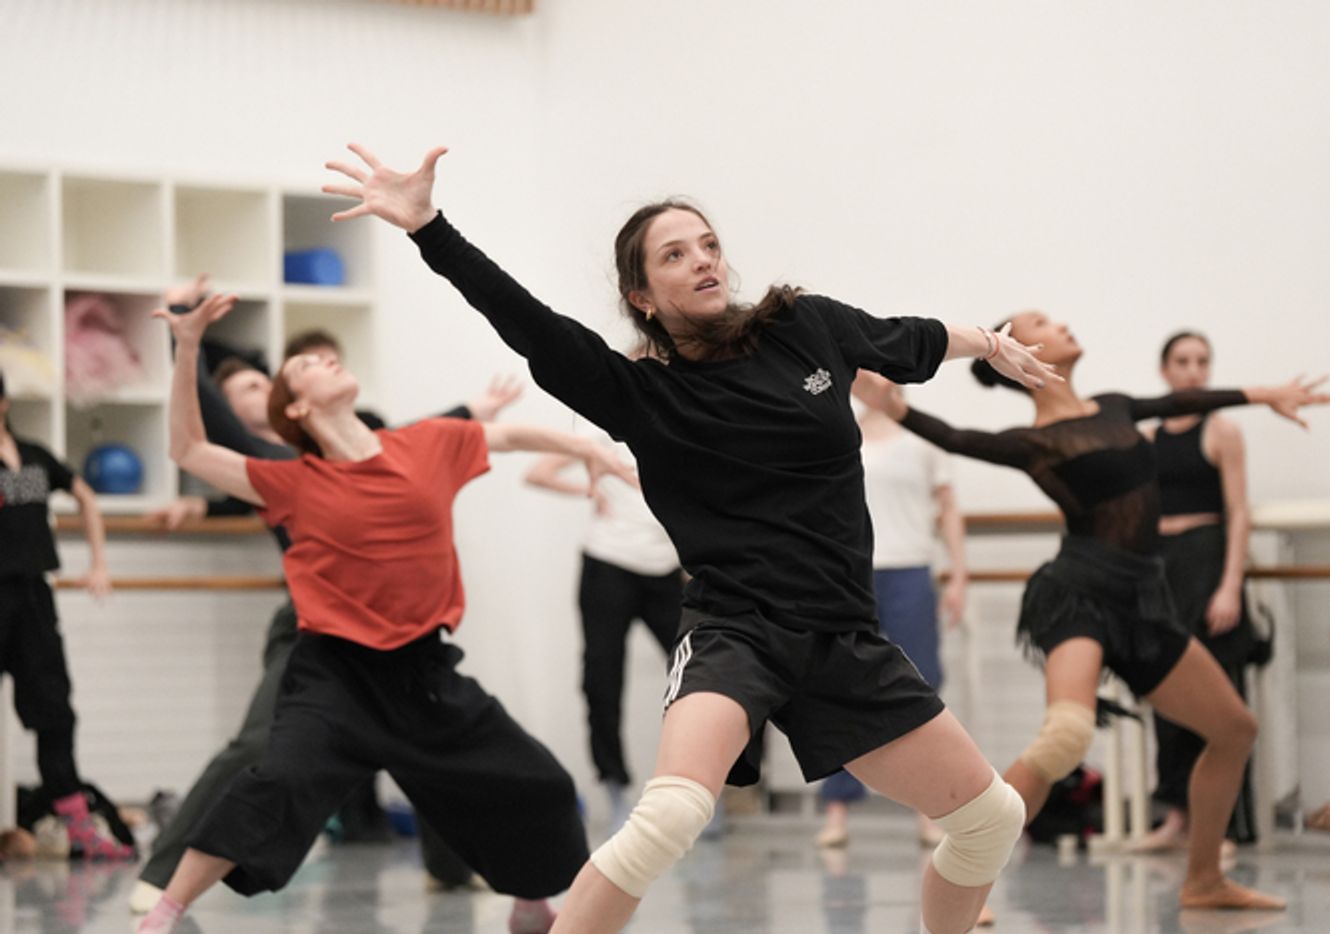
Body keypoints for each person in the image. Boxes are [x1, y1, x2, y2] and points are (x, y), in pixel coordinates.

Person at [324, 143, 1056, 934]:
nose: (704, 261)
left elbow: (905, 338)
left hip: (846, 638)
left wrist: (987, 339)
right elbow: (526, 322)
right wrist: (430, 228)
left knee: (992, 819)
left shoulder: (804, 327)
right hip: (736, 632)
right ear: (642, 295)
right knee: (671, 816)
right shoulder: (638, 395)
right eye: (675, 254)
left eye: (708, 244)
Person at [136, 293, 627, 934]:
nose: (322, 358)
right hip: (334, 676)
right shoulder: (292, 478)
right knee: (273, 783)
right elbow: (188, 448)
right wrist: (190, 345)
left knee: (539, 784)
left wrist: (592, 450)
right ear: (300, 407)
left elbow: (504, 435)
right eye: (306, 364)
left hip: (424, 672)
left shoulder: (426, 444)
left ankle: (530, 903)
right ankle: (164, 911)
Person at [853, 311, 1330, 911]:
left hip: (1142, 600)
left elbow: (1182, 400)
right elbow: (951, 437)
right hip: (1079, 595)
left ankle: (1205, 878)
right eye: (1042, 322)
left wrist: (1267, 395)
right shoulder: (1032, 444)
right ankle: (965, 884)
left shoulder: (1113, 406)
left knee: (1235, 728)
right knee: (1066, 735)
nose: (1061, 324)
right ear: (1016, 351)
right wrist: (872, 387)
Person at [816, 371, 970, 850]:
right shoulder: (843, 433)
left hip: (909, 573)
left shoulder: (924, 439)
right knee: (842, 690)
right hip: (850, 577)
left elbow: (947, 508)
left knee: (920, 689)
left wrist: (959, 574)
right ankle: (837, 809)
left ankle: (931, 809)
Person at [525, 401, 684, 835]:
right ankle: (615, 786)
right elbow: (537, 472)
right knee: (602, 676)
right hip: (608, 565)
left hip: (666, 570)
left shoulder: (681, 425)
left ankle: (708, 785)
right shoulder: (600, 432)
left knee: (704, 671)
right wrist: (588, 492)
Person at [1135, 331, 1258, 851]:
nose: (1193, 370)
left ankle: (1225, 823)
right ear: (1164, 371)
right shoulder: (1147, 438)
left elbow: (1239, 513)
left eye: (1202, 361)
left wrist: (1230, 585)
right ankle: (1176, 815)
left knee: (1220, 695)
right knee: (1167, 690)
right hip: (1159, 565)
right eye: (1182, 361)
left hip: (1206, 561)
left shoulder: (1223, 430)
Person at [0, 369, 130, 859]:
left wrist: (98, 564)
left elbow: (85, 496)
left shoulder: (32, 457)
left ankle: (76, 825)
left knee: (54, 711)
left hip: (33, 596)